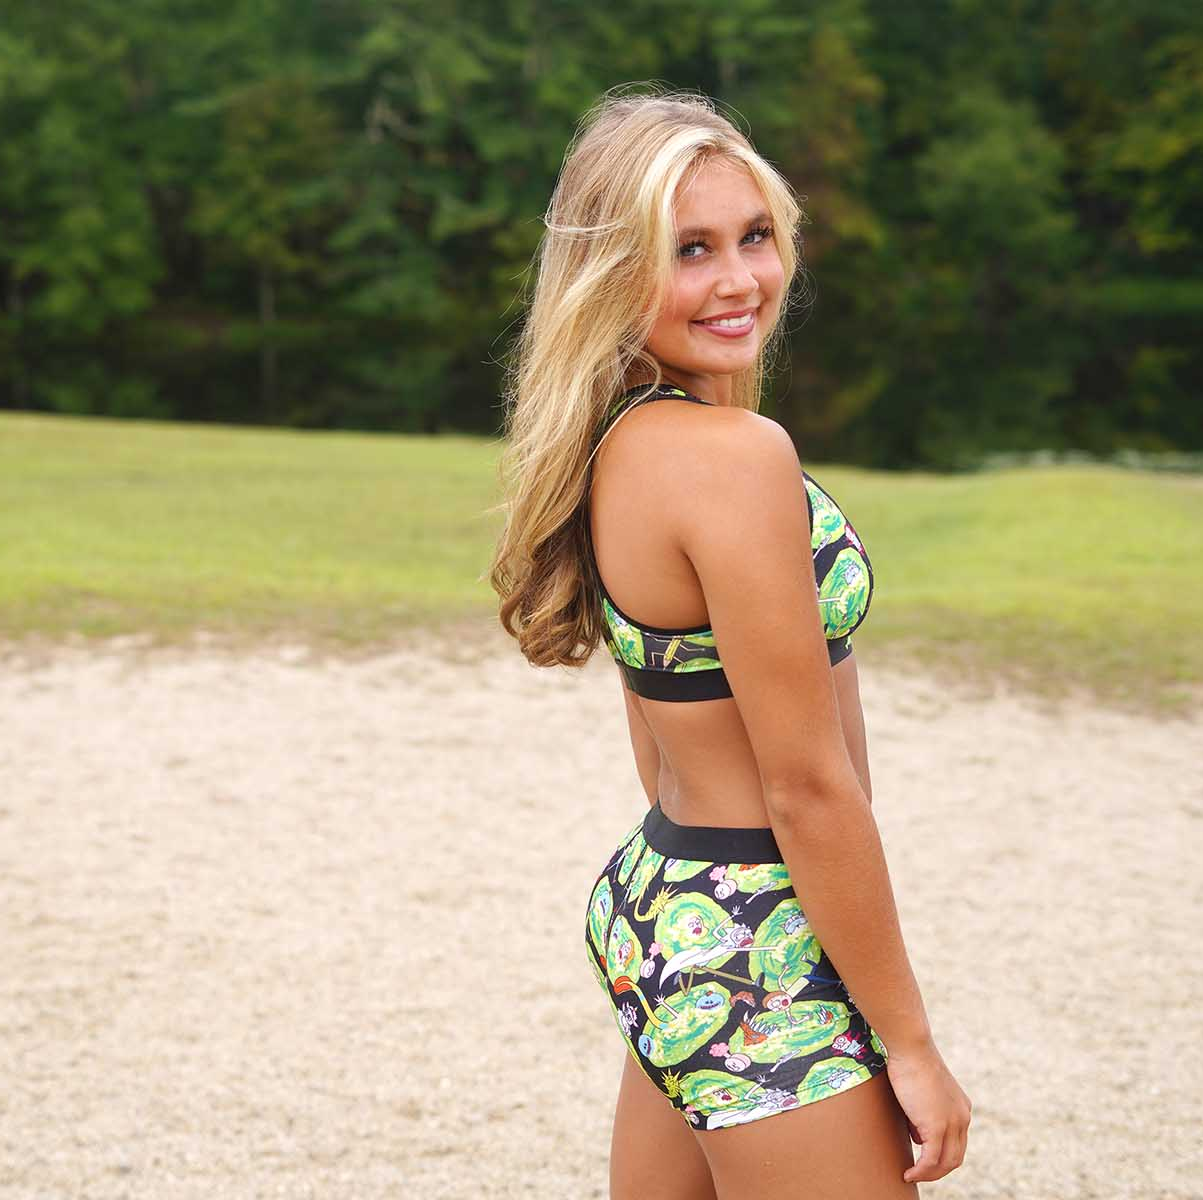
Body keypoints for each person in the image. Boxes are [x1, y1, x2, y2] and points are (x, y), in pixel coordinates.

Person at [487, 88, 971, 1197]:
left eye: (754, 236)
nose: (740, 279)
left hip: (673, 905)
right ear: (613, 272)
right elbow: (808, 785)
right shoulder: (734, 455)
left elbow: (654, 731)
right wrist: (909, 1043)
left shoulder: (615, 439)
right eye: (689, 250)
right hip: (756, 931)